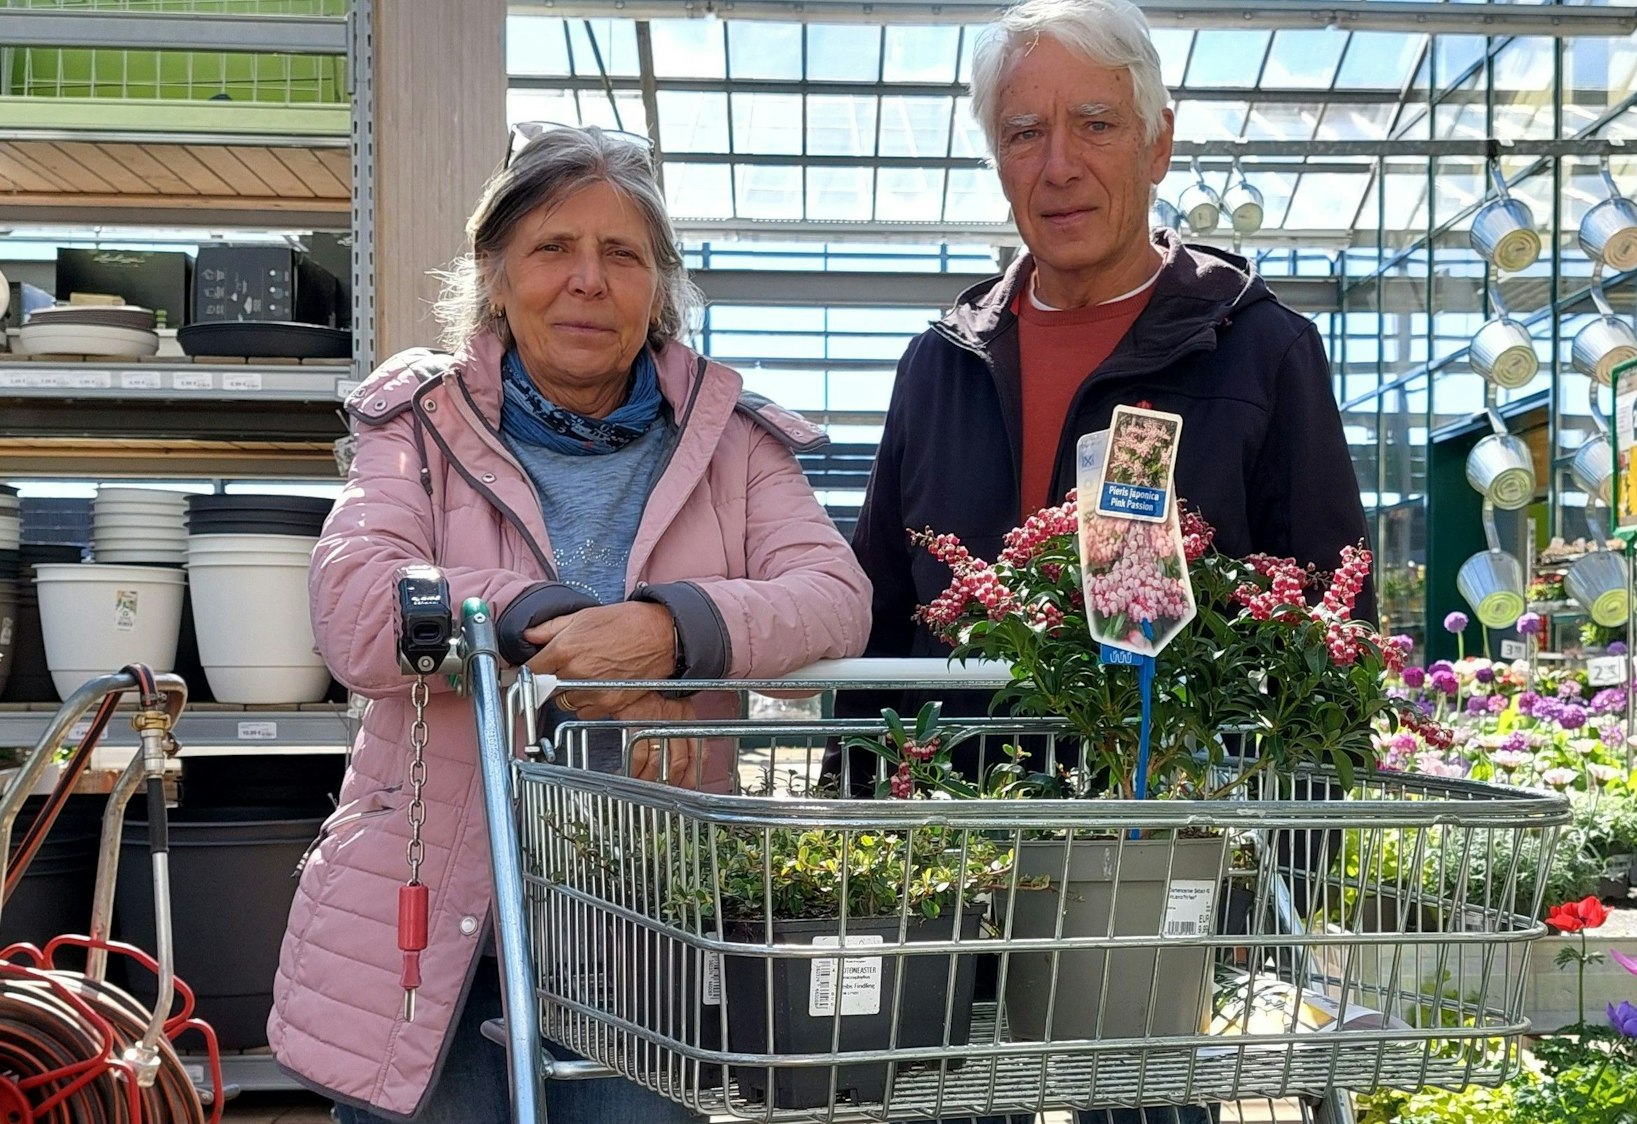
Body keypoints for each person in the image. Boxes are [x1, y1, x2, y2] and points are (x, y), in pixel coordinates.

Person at [268, 124, 871, 1123]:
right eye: (554, 248)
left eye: (622, 254)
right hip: (435, 936)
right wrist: (533, 621)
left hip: (640, 944)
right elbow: (354, 603)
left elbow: (835, 599)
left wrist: (671, 633)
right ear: (495, 275)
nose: (588, 280)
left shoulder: (734, 440)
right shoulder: (417, 420)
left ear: (659, 287)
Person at [853, 0, 1373, 688]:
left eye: (1097, 125)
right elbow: (880, 617)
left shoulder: (1260, 350)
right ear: (1000, 160)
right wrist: (849, 786)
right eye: (1025, 132)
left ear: (1157, 144)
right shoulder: (943, 365)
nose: (1059, 166)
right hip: (958, 788)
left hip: (1175, 792)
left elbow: (1330, 628)